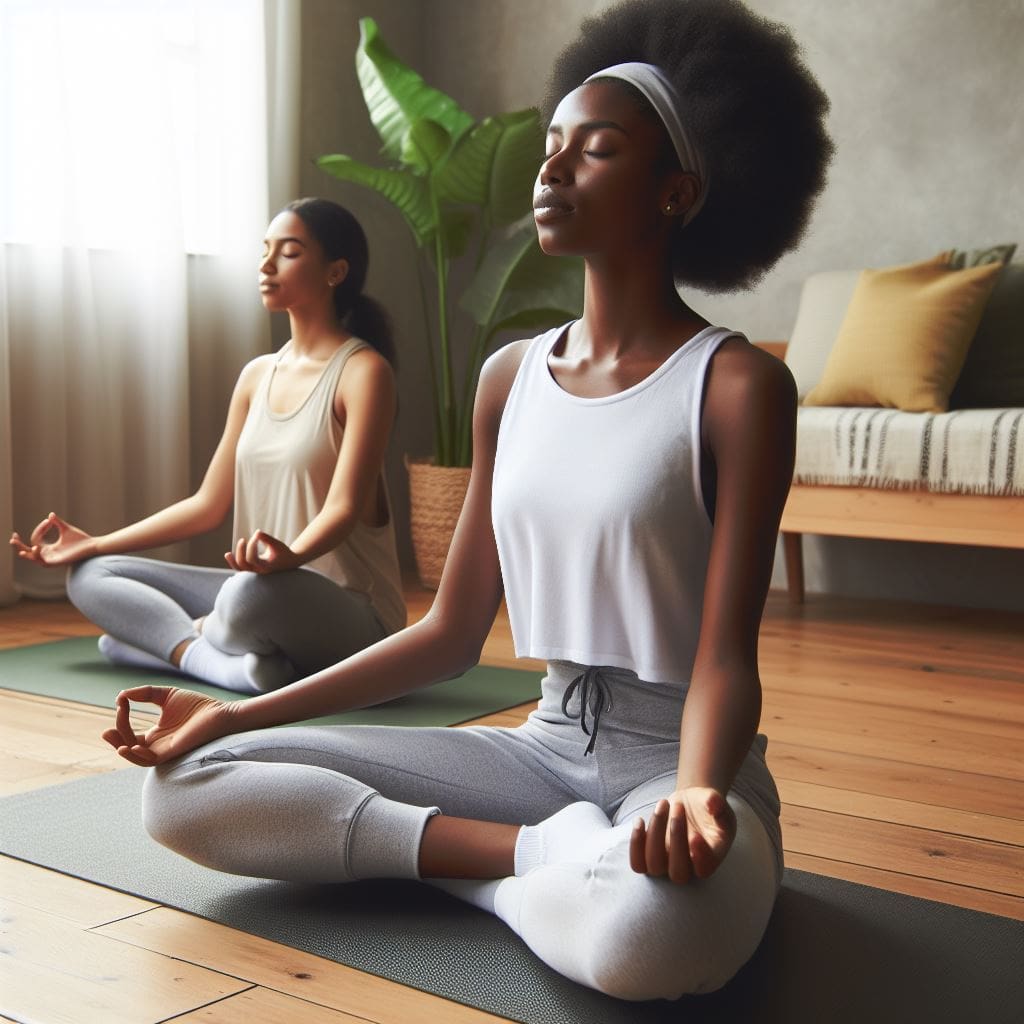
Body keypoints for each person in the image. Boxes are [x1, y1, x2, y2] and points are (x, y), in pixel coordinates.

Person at [98, 0, 832, 1001]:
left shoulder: (738, 388)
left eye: (597, 149)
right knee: (182, 786)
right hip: (542, 751)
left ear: (675, 192)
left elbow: (722, 657)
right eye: (549, 146)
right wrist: (228, 718)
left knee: (650, 942)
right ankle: (530, 861)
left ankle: (480, 868)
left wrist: (701, 792)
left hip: (678, 767)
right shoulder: (508, 377)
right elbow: (450, 633)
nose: (553, 168)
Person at [11, 198, 406, 694]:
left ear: (336, 271)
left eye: (288, 252)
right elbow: (206, 505)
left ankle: (168, 644)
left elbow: (344, 506)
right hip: (261, 585)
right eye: (265, 250)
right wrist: (94, 542)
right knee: (89, 575)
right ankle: (220, 661)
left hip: (351, 615)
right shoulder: (256, 375)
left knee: (244, 596)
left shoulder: (364, 373)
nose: (266, 264)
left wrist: (293, 555)